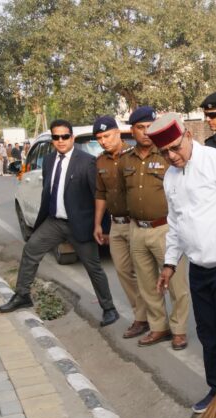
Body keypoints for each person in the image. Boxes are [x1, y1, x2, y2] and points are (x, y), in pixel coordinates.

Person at [149, 113, 216, 416]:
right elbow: (176, 223)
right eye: (164, 153)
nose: (172, 156)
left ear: (187, 135)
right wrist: (170, 264)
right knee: (208, 334)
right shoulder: (171, 176)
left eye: (175, 148)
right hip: (198, 269)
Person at [0, 119, 118, 326]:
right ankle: (22, 295)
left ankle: (109, 309)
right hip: (54, 222)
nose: (60, 141)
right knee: (31, 250)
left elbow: (99, 196)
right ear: (52, 139)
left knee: (93, 267)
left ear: (71, 137)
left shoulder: (87, 161)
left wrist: (103, 227)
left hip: (80, 225)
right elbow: (48, 191)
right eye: (56, 137)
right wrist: (40, 221)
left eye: (64, 136)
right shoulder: (50, 160)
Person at [120, 106, 190, 351]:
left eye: (150, 127)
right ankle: (158, 326)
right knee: (147, 283)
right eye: (141, 128)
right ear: (132, 131)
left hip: (165, 228)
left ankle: (179, 330)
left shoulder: (167, 156)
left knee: (176, 284)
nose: (146, 132)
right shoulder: (125, 159)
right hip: (137, 229)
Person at [92, 115, 149, 339]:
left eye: (106, 136)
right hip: (116, 225)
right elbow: (101, 194)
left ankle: (151, 319)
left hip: (136, 223)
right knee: (124, 272)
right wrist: (98, 224)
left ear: (118, 132)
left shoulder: (134, 156)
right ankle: (141, 317)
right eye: (99, 138)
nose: (103, 141)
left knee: (144, 274)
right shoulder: (100, 162)